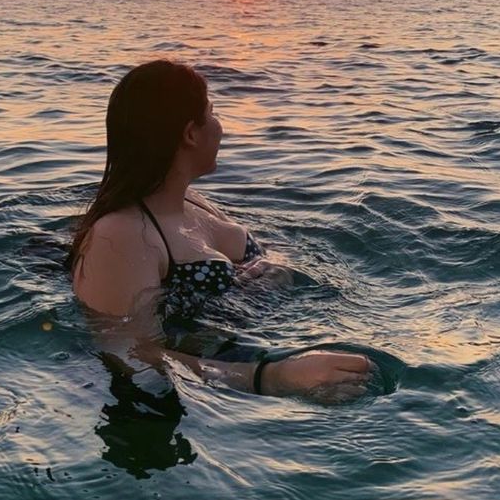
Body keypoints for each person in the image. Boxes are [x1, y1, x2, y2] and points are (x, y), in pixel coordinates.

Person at [67, 59, 372, 402]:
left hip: (247, 342)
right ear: (190, 133)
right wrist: (272, 378)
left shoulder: (193, 202)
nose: (219, 125)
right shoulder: (120, 235)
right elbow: (130, 355)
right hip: (187, 401)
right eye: (211, 113)